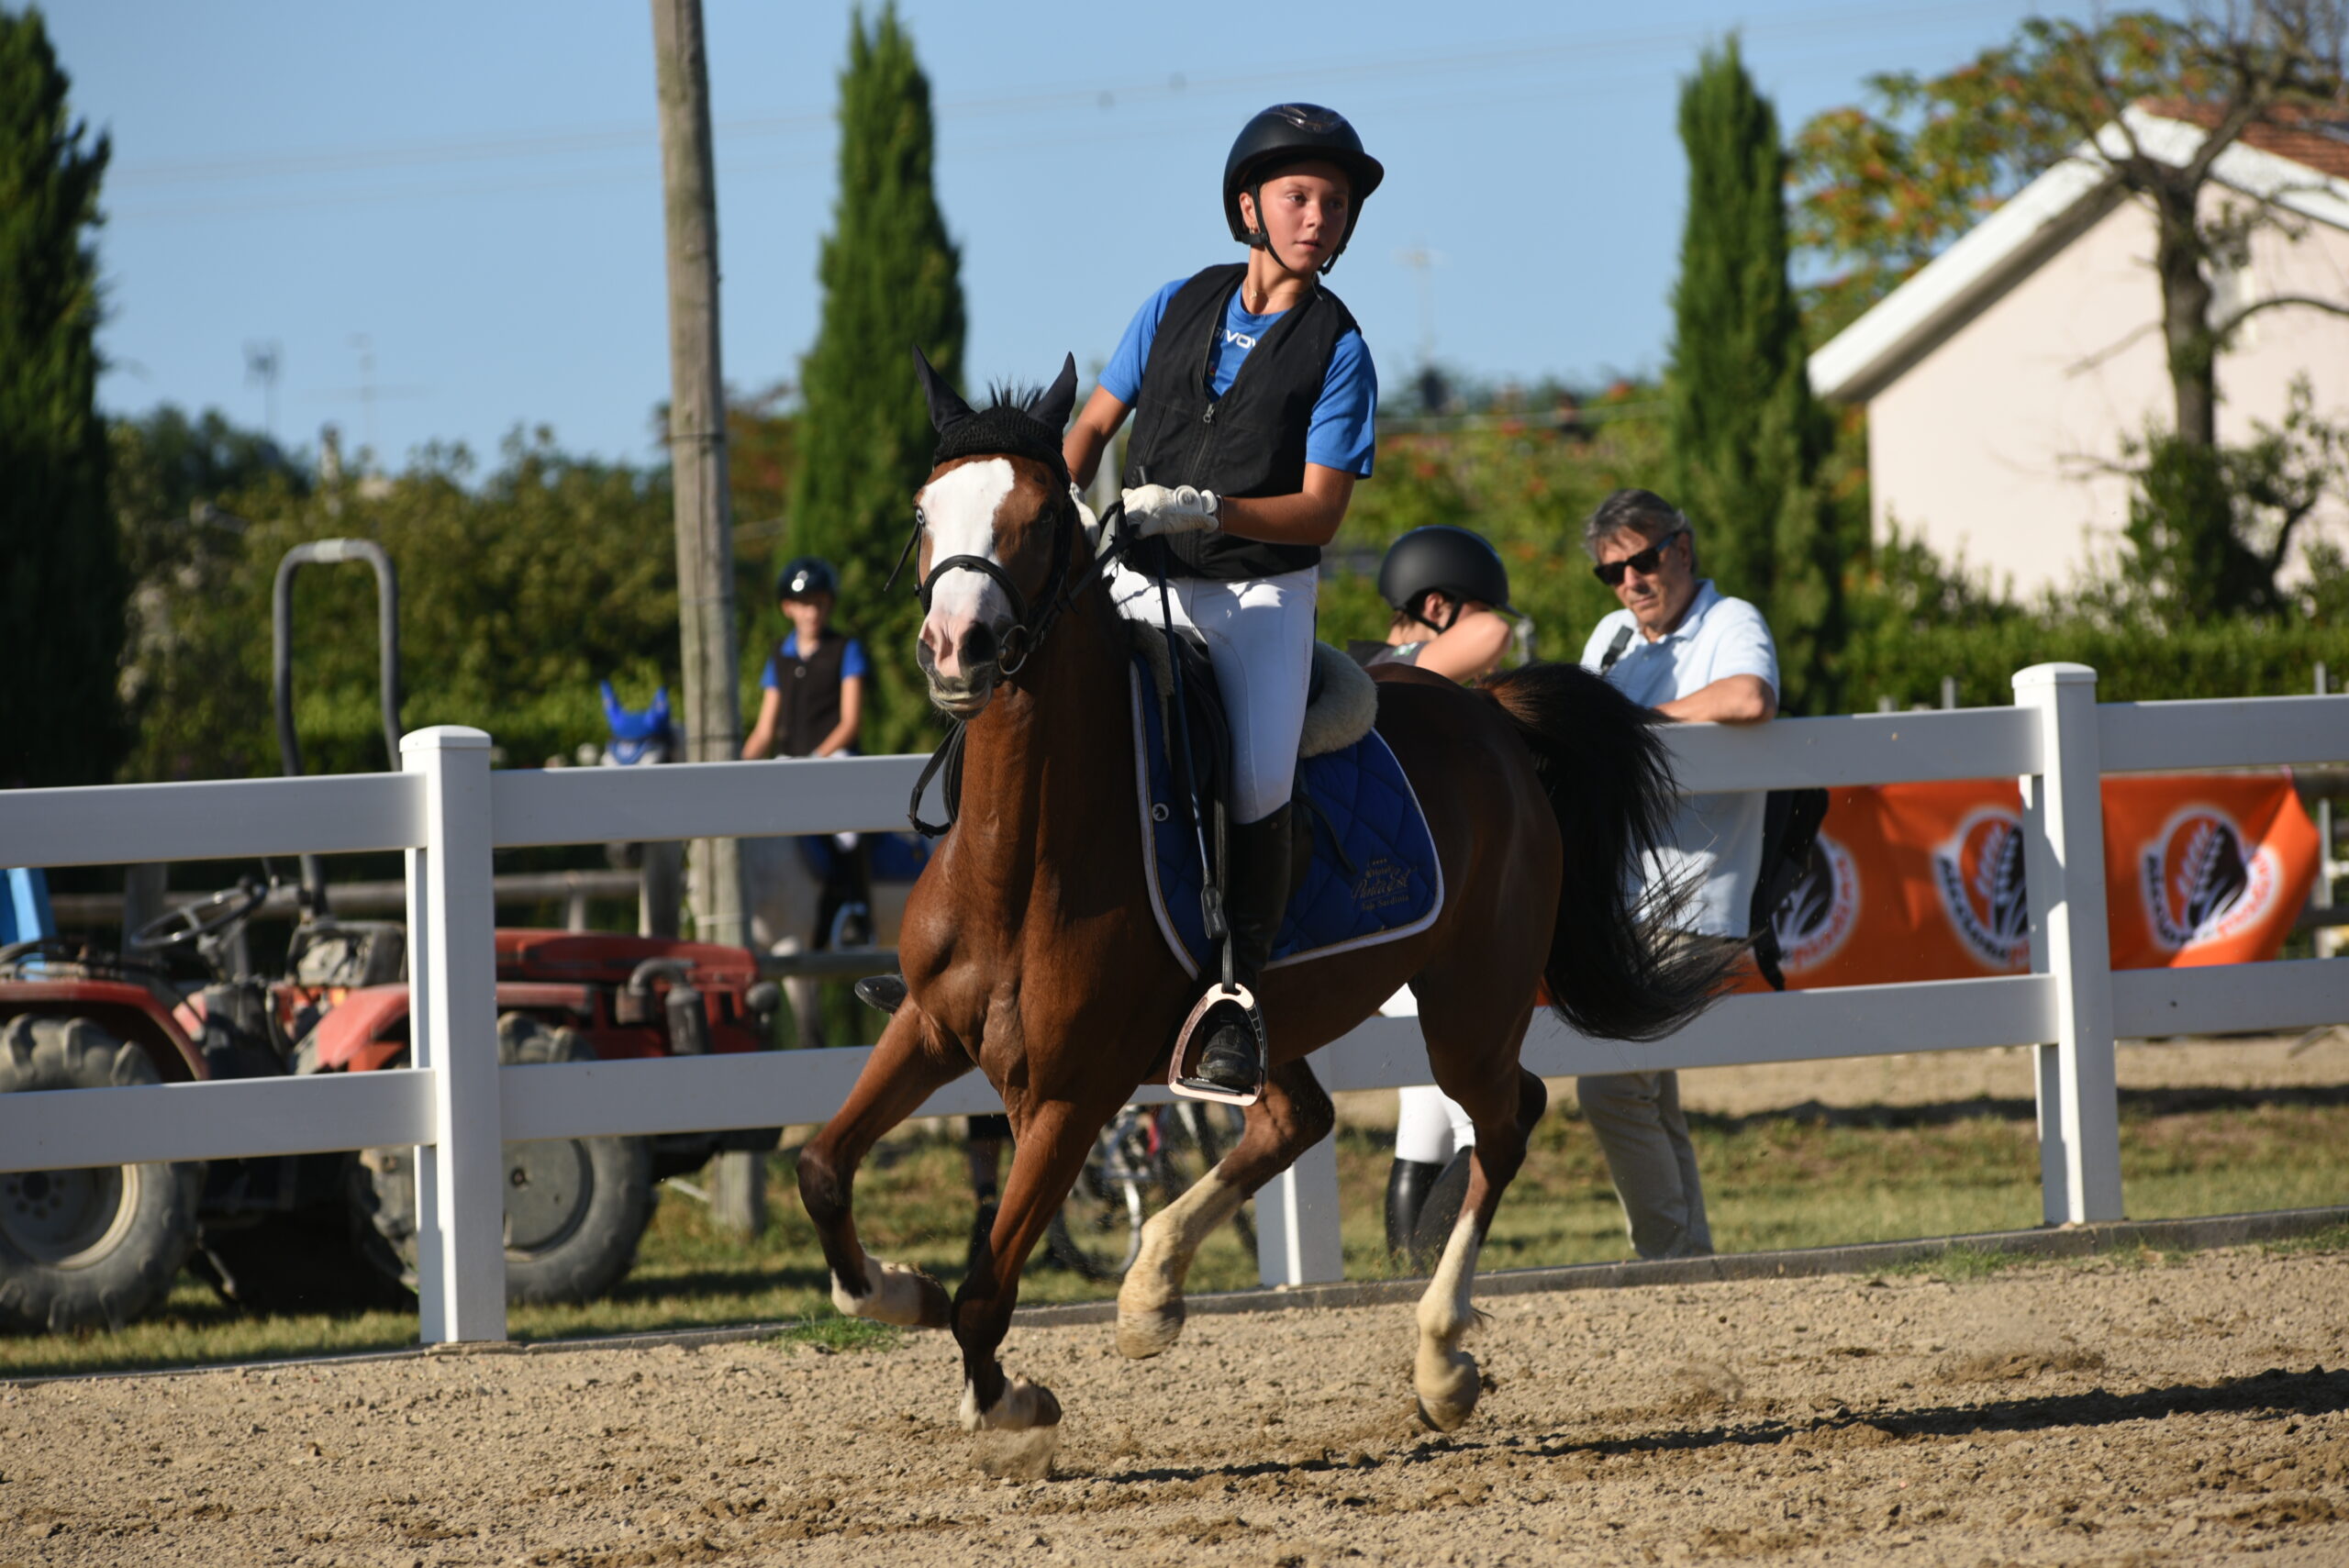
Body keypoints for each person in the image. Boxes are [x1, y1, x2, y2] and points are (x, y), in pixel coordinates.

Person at [1062, 103, 1383, 1096]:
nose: (1317, 216)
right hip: (1132, 575)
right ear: (1248, 206)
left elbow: (1322, 511)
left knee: (1254, 783)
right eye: (1298, 196)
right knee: (1022, 693)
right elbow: (1092, 424)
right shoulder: (1173, 303)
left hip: (1257, 600)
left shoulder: (1340, 348)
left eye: (1333, 202)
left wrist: (1210, 504)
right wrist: (1069, 497)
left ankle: (1237, 1002)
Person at [1575, 487, 1779, 1260]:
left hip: (1696, 903)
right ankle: (1693, 1262)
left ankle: (1673, 1262)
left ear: (1683, 549)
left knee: (1613, 1088)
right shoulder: (1611, 637)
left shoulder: (1732, 622)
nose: (1631, 580)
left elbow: (1750, 695)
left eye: (1645, 558)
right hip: (1624, 901)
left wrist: (1631, 727)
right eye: (1613, 571)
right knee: (1648, 1094)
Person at [1353, 526, 1515, 1256]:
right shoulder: (1399, 668)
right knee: (1472, 1114)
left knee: (1421, 1115)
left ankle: (1402, 1273)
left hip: (1388, 910)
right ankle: (1432, 1271)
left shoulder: (1365, 668)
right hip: (1423, 912)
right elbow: (1494, 634)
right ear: (1440, 603)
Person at [742, 556, 873, 946]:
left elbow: (850, 722)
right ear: (788, 608)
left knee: (848, 833)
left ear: (829, 604)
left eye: (818, 602)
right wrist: (738, 769)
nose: (811, 611)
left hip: (833, 759)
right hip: (790, 762)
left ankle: (856, 911)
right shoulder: (779, 657)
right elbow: (765, 728)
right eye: (803, 603)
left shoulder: (845, 649)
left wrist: (816, 760)